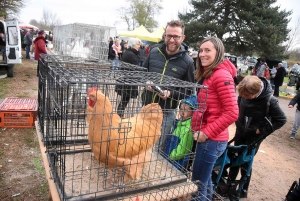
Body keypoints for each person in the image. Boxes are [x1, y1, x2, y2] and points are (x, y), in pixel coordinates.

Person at [191, 37, 239, 200]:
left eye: (207, 50)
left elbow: (232, 112)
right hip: (210, 139)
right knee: (205, 183)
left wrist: (206, 133)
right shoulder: (210, 74)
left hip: (211, 140)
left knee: (197, 186)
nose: (202, 54)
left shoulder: (221, 76)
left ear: (218, 53)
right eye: (201, 50)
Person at [229, 75, 286, 198]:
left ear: (257, 91)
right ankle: (230, 184)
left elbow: (281, 119)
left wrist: (260, 130)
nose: (244, 98)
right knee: (234, 156)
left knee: (245, 162)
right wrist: (237, 121)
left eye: (247, 96)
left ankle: (243, 189)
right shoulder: (244, 91)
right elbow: (238, 106)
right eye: (242, 95)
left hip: (253, 137)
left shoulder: (270, 101)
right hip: (240, 131)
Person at [142, 20, 195, 152]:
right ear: (164, 36)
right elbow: (142, 72)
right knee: (140, 142)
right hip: (146, 106)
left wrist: (171, 94)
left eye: (176, 36)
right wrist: (146, 82)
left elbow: (188, 90)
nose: (172, 40)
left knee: (157, 148)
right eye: (169, 35)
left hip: (167, 111)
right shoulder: (154, 52)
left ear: (182, 38)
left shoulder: (188, 62)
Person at [164, 95, 198, 171]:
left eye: (186, 110)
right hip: (169, 157)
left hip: (177, 162)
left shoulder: (189, 128)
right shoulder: (179, 123)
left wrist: (169, 157)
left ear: (193, 112)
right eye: (181, 109)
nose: (182, 112)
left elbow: (184, 150)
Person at [115, 37, 141, 118]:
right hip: (128, 80)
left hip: (127, 79)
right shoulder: (131, 54)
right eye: (137, 44)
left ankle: (120, 114)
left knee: (125, 98)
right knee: (125, 98)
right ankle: (119, 114)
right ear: (133, 45)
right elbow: (135, 68)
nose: (139, 46)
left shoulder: (129, 52)